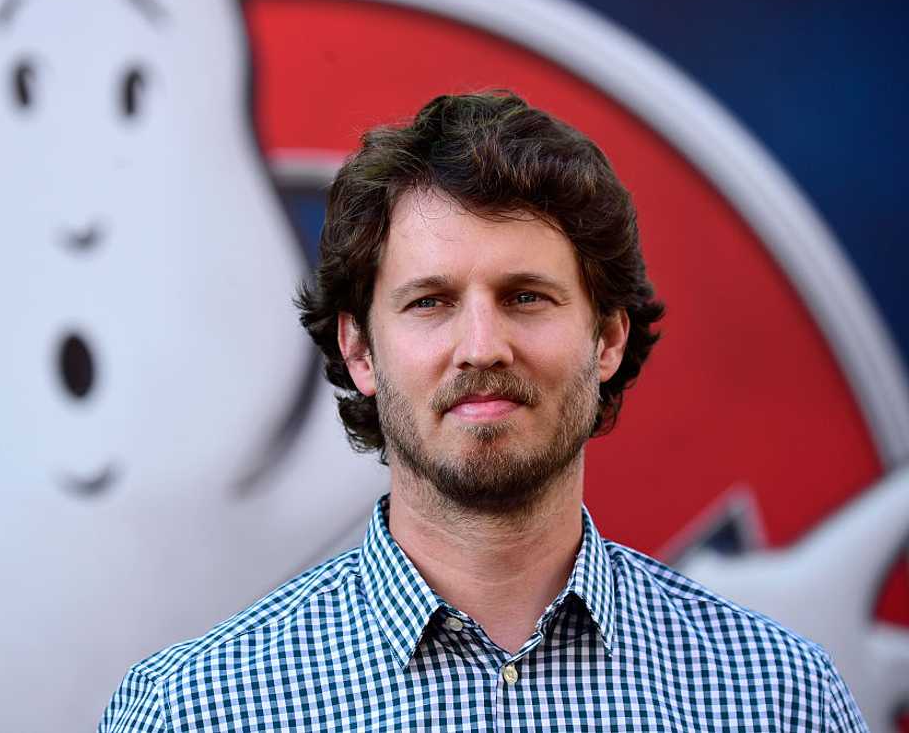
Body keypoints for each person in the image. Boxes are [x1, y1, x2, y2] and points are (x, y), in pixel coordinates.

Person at [98, 91, 866, 731]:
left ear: (606, 337)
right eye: (430, 302)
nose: (482, 346)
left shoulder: (777, 697)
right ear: (360, 351)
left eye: (525, 297)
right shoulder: (196, 710)